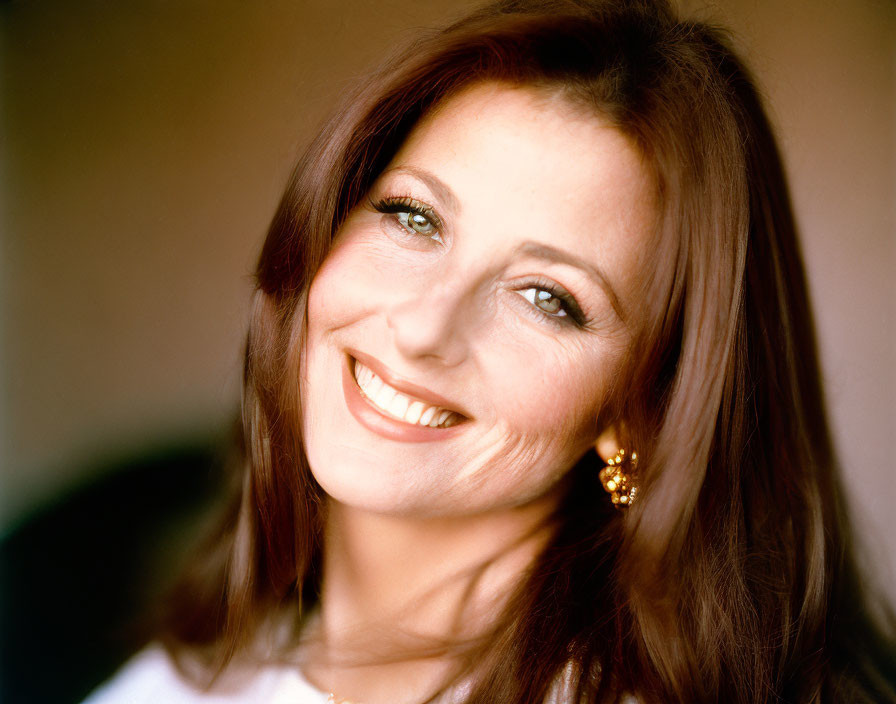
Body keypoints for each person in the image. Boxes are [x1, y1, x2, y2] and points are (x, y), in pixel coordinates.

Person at [84, 0, 896, 702]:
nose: (424, 327)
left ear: (641, 408)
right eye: (413, 217)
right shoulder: (185, 680)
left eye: (549, 298)